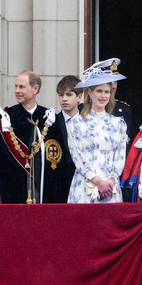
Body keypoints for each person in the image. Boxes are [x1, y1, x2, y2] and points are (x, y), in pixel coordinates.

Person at [0, 71, 63, 204]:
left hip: (43, 192)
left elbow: (58, 160)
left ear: (35, 89)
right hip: (12, 191)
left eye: (21, 87)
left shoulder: (49, 118)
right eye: (16, 86)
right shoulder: (7, 117)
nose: (17, 91)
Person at [67, 62, 128, 203]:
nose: (103, 96)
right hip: (84, 185)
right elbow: (77, 157)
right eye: (99, 91)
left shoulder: (118, 124)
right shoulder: (76, 123)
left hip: (110, 188)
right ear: (90, 93)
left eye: (106, 92)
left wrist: (111, 180)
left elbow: (119, 156)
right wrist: (96, 180)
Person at [52, 75, 83, 203]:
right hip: (59, 187)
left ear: (79, 97)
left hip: (83, 184)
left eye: (69, 95)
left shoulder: (88, 122)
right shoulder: (52, 123)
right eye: (61, 95)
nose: (64, 99)